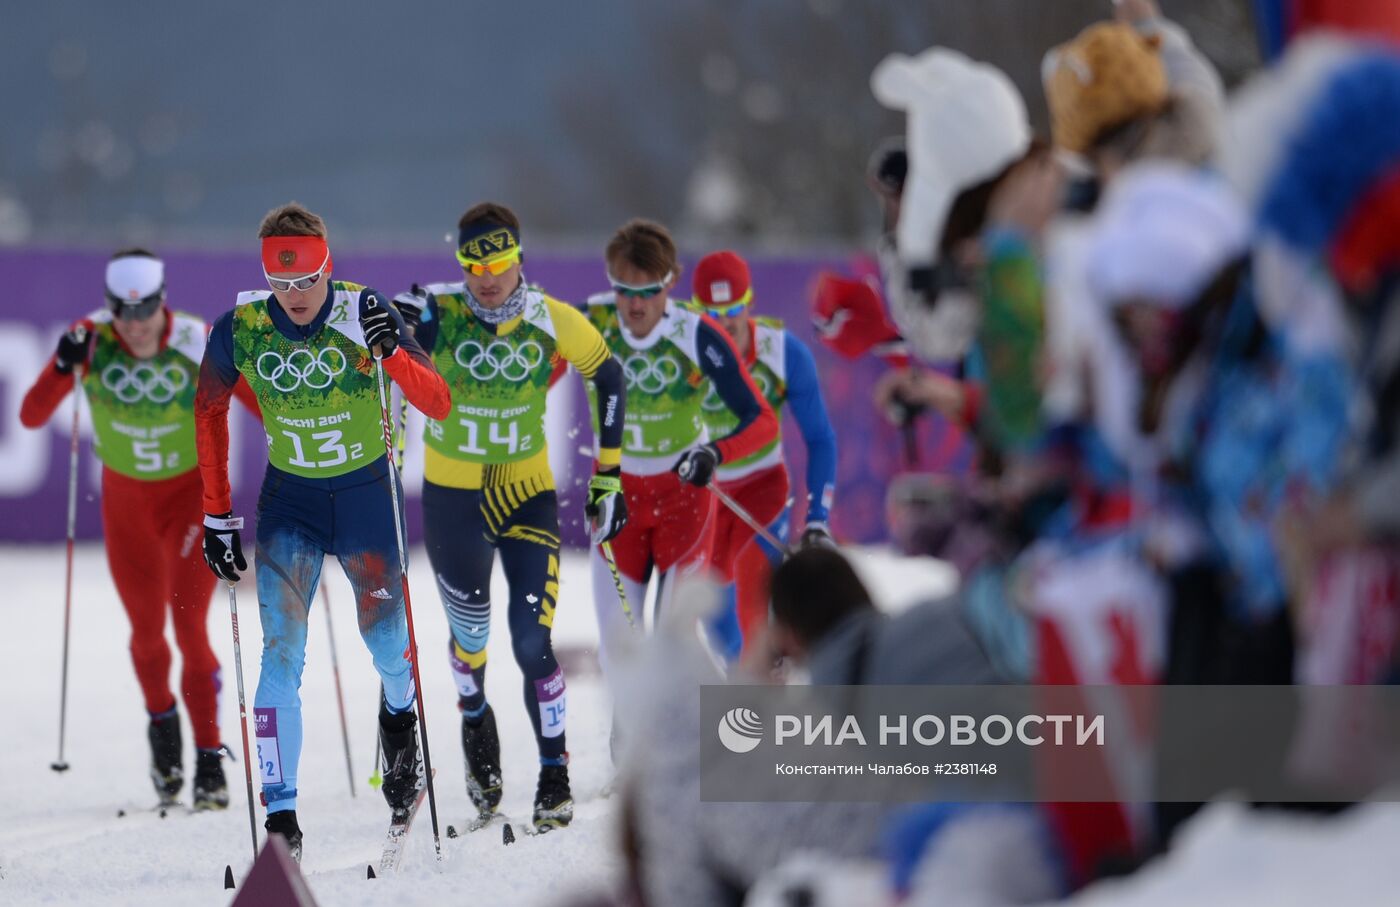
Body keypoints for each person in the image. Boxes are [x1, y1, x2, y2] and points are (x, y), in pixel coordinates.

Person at [193, 202, 451, 861]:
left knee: (389, 646)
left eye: (307, 280)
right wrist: (216, 512)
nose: (296, 296)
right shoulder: (242, 327)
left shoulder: (363, 312)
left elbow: (437, 401)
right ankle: (281, 817)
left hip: (366, 499)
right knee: (280, 654)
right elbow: (209, 410)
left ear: (327, 266)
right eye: (282, 284)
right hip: (293, 504)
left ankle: (400, 724)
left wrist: (391, 350)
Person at [390, 202, 626, 833]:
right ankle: (474, 718)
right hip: (453, 503)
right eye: (474, 264)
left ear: (518, 257)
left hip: (525, 497)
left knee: (532, 642)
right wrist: (398, 331)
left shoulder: (550, 317)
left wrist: (609, 471)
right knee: (472, 643)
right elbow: (377, 335)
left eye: (498, 262)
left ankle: (554, 772)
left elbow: (608, 373)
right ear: (460, 262)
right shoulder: (437, 311)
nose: (487, 277)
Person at [20, 249, 259, 810]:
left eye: (145, 309)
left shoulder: (195, 341)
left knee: (189, 630)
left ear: (162, 301)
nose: (135, 324)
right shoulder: (90, 340)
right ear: (109, 308)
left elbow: (266, 410)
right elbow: (31, 416)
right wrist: (61, 366)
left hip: (187, 504)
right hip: (126, 509)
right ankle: (164, 740)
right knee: (147, 635)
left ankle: (207, 760)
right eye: (122, 312)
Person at [583, 220, 778, 671]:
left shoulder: (697, 333)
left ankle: (679, 737)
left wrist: (715, 453)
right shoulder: (589, 322)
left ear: (670, 283)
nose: (635, 304)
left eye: (649, 291)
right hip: (617, 499)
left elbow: (761, 420)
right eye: (624, 290)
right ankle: (629, 740)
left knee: (674, 643)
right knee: (618, 648)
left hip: (683, 502)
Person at [690, 250, 838, 663]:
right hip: (710, 491)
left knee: (749, 589)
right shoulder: (680, 348)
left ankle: (760, 703)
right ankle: (756, 681)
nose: (724, 323)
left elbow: (821, 438)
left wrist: (817, 519)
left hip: (762, 486)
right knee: (714, 609)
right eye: (711, 312)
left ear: (749, 302)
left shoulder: (783, 353)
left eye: (734, 309)